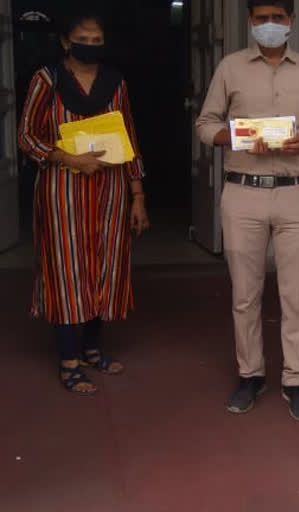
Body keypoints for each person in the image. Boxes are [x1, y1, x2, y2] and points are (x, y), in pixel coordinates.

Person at [195, 0, 299, 421]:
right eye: (262, 19)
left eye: (278, 18)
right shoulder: (230, 68)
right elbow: (205, 124)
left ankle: (296, 378)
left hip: (296, 192)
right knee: (246, 294)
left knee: (296, 295)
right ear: (250, 22)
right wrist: (236, 138)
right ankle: (250, 374)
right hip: (243, 193)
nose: (270, 25)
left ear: (291, 22)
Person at [17, 9, 149, 395]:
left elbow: (130, 139)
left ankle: (93, 349)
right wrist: (66, 158)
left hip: (110, 191)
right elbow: (26, 135)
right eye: (82, 39)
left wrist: (137, 196)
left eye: (96, 40)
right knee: (68, 270)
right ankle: (68, 360)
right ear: (64, 41)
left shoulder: (115, 83)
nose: (89, 46)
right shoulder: (48, 80)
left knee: (103, 267)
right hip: (63, 191)